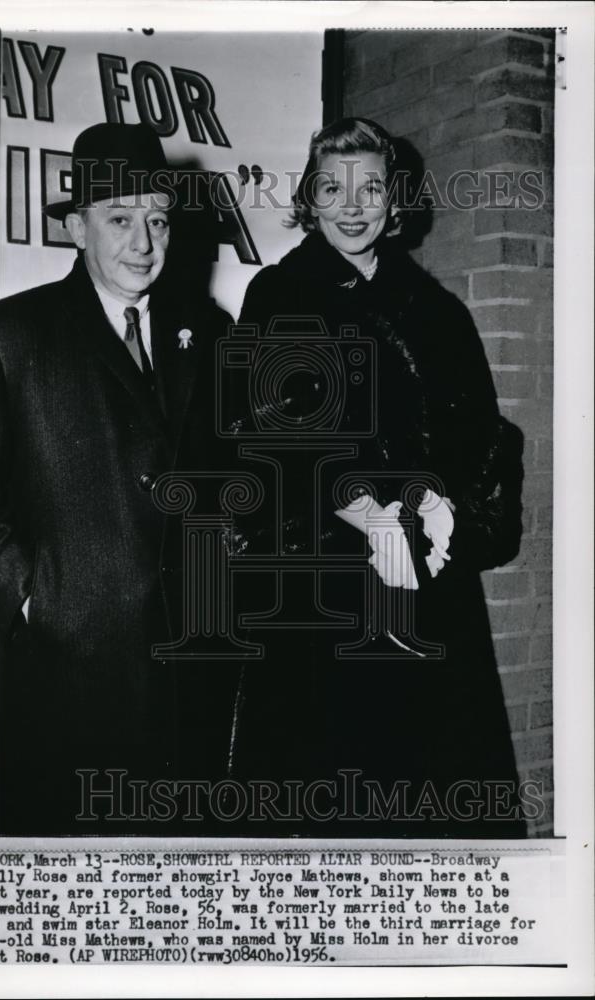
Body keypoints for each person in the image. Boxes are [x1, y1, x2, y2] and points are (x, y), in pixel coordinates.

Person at [0, 123, 233, 835]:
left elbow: (232, 471)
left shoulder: (208, 332)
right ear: (75, 229)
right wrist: (33, 601)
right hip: (71, 674)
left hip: (192, 669)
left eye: (157, 220)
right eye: (119, 219)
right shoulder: (6, 335)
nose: (144, 242)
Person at [230, 117, 525, 836]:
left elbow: (480, 436)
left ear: (395, 201)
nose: (353, 205)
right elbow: (261, 438)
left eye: (371, 187)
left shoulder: (438, 310)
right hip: (324, 590)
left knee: (433, 800)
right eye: (332, 187)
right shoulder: (278, 296)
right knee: (336, 799)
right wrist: (362, 511)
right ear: (309, 199)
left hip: (428, 583)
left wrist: (446, 505)